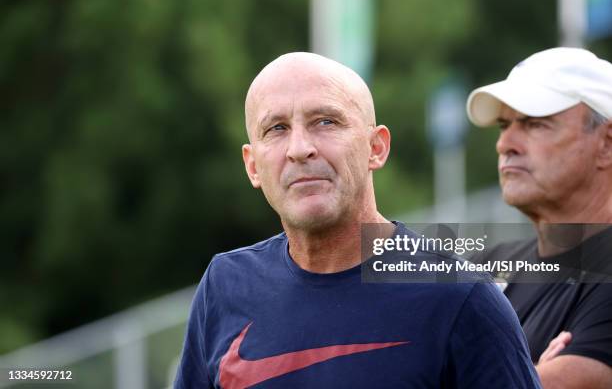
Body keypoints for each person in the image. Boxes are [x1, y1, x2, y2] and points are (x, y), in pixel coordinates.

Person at [175, 52, 541, 388]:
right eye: (277, 129)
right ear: (252, 165)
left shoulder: (461, 298)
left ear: (376, 147)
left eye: (325, 121)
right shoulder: (224, 286)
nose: (300, 148)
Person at [467, 47, 612, 388]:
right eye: (505, 125)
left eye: (535, 123)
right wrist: (525, 374)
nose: (505, 143)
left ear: (606, 143)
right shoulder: (485, 265)